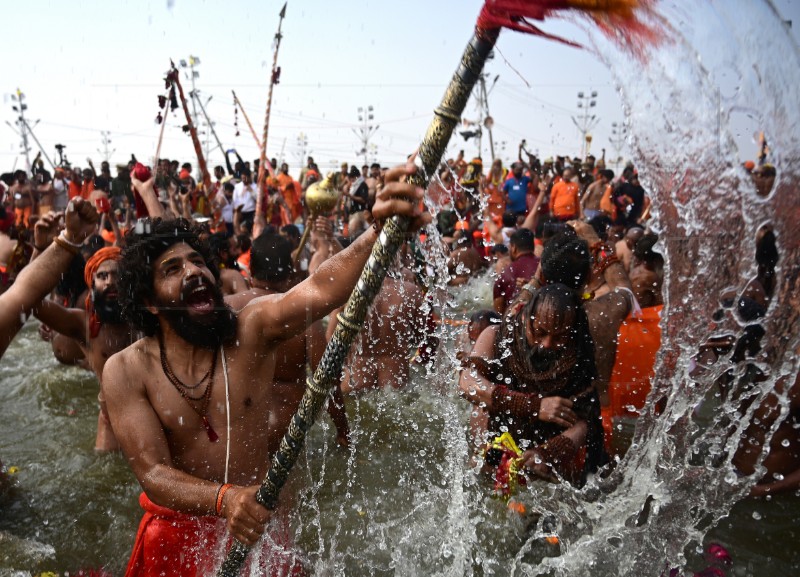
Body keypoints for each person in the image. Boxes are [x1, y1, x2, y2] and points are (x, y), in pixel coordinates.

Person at [102, 163, 426, 576]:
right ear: (150, 303)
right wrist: (227, 500)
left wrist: (378, 232)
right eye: (173, 269)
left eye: (198, 262)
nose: (194, 272)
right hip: (176, 534)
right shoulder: (125, 370)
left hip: (258, 529)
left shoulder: (250, 329)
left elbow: (320, 288)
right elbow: (153, 472)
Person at [459, 282, 606, 486]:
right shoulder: (497, 335)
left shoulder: (578, 355)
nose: (547, 344)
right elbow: (468, 383)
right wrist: (534, 406)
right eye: (540, 332)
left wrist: (547, 453)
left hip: (548, 469)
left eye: (559, 337)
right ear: (526, 317)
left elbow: (585, 423)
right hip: (495, 453)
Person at [226, 232, 350, 448]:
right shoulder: (303, 317)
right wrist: (343, 432)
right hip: (284, 437)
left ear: (250, 272)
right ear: (291, 274)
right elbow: (327, 381)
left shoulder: (226, 311)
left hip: (233, 435)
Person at [33, 246, 139, 451]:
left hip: (154, 414)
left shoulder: (147, 319)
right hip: (111, 422)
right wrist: (40, 248)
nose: (110, 281)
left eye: (117, 275)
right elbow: (30, 300)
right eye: (102, 276)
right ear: (92, 285)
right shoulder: (84, 326)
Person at [493, 228, 539, 315]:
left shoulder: (505, 274)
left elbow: (498, 315)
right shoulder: (543, 265)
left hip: (516, 321)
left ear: (513, 248)